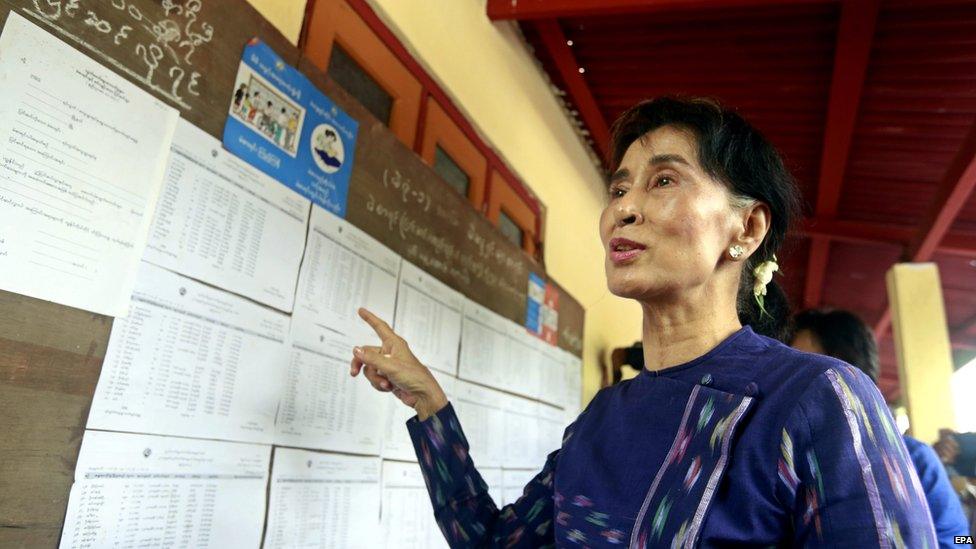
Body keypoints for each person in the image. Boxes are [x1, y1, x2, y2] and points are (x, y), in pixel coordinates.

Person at [350, 97, 936, 546]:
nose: (623, 209)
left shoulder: (818, 401)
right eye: (619, 187)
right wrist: (430, 406)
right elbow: (494, 541)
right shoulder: (601, 419)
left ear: (748, 229)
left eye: (663, 180)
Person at [791, 308, 971, 548]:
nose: (792, 389)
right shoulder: (787, 464)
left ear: (859, 380)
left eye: (809, 375)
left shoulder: (916, 459)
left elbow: (960, 541)